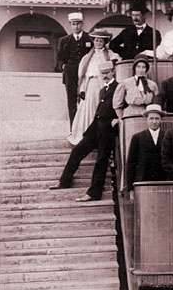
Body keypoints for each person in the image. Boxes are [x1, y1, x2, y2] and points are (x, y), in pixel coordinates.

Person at [49, 61, 120, 201]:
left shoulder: (118, 87)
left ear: (113, 72)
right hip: (95, 128)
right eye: (103, 73)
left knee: (101, 161)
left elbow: (122, 105)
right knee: (77, 151)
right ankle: (64, 181)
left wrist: (119, 119)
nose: (105, 76)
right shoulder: (102, 90)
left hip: (108, 130)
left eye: (107, 73)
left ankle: (93, 193)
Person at [68, 29, 118, 145]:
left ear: (104, 42)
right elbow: (83, 76)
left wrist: (113, 62)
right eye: (96, 41)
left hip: (104, 84)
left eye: (101, 41)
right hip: (91, 85)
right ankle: (86, 137)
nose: (98, 43)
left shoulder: (110, 54)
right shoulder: (87, 57)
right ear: (93, 42)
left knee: (102, 109)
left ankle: (100, 137)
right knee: (89, 109)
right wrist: (82, 90)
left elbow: (117, 62)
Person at [56, 12, 93, 128]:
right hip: (70, 73)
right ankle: (74, 128)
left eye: (78, 24)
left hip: (86, 73)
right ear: (70, 25)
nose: (76, 26)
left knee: (86, 99)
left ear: (82, 24)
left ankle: (86, 127)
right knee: (71, 101)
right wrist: (63, 66)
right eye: (73, 24)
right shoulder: (64, 40)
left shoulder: (90, 38)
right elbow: (59, 58)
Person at [125, 104, 167, 199]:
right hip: (143, 182)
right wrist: (131, 188)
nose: (154, 122)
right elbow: (131, 163)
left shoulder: (168, 136)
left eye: (157, 119)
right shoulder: (137, 137)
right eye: (151, 118)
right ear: (146, 120)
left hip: (163, 181)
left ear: (161, 120)